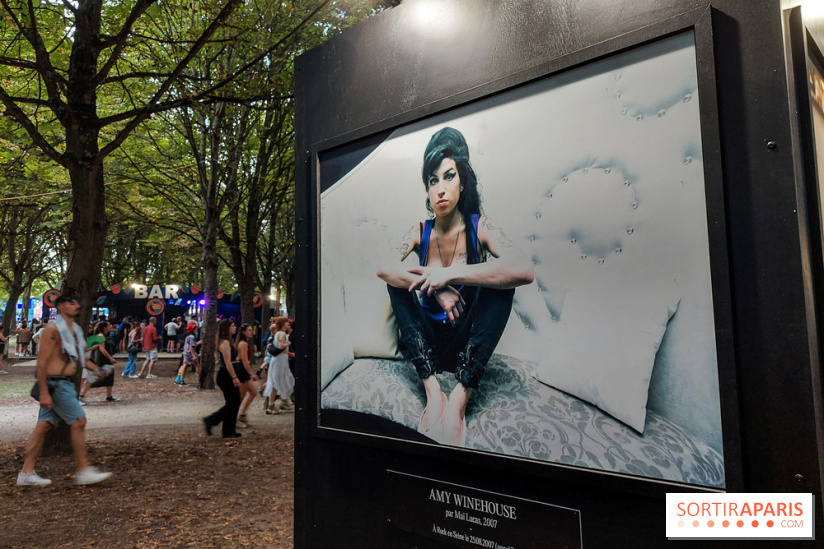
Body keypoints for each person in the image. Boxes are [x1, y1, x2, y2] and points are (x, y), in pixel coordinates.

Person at [376, 127, 534, 447]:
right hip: (428, 346)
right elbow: (383, 267)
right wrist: (434, 287)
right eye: (433, 181)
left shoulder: (481, 227)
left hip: (467, 347)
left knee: (501, 281)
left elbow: (524, 269)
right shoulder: (419, 231)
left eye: (448, 176)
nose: (440, 189)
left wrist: (450, 276)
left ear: (462, 180)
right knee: (396, 281)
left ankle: (459, 400)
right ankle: (434, 393)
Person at [16, 295, 112, 486]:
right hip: (56, 384)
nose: (77, 305)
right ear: (60, 307)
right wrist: (44, 392)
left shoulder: (75, 330)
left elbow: (81, 358)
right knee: (79, 421)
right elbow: (42, 362)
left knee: (43, 427)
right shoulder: (52, 329)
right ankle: (84, 471)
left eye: (77, 302)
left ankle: (26, 473)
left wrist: (98, 371)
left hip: (64, 383)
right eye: (71, 303)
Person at [202, 319, 242, 438]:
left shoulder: (228, 341)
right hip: (226, 375)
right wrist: (234, 377)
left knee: (233, 402)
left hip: (229, 373)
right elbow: (227, 362)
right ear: (227, 328)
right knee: (233, 402)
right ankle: (212, 419)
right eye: (233, 326)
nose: (235, 327)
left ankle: (228, 429)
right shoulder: (224, 342)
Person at [78, 321, 119, 405]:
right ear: (104, 327)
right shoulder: (100, 336)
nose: (110, 326)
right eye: (108, 325)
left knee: (108, 377)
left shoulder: (104, 336)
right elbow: (101, 349)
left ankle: (109, 395)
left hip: (99, 360)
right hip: (100, 360)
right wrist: (110, 358)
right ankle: (81, 396)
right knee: (91, 378)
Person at [264, 317, 294, 414]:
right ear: (282, 324)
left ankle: (271, 405)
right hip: (279, 362)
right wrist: (288, 343)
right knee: (278, 383)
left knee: (275, 384)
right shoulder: (282, 334)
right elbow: (281, 346)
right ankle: (272, 405)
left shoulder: (278, 334)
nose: (288, 323)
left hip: (279, 361)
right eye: (286, 322)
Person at [235, 324, 260, 427]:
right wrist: (251, 373)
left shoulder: (245, 343)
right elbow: (244, 360)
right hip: (242, 370)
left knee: (253, 392)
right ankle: (234, 419)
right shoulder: (243, 344)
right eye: (249, 330)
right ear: (243, 332)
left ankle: (242, 414)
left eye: (251, 330)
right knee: (240, 396)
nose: (251, 332)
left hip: (243, 370)